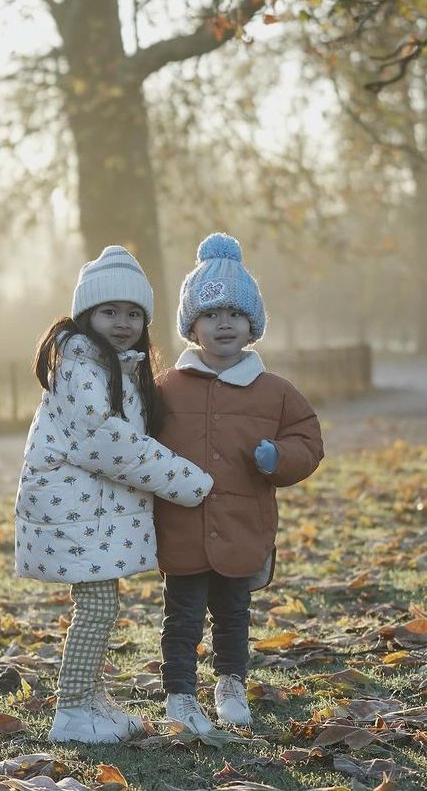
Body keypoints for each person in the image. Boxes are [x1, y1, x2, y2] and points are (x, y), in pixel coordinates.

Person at [15, 246, 214, 744]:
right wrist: (188, 482)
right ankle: (73, 712)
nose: (122, 322)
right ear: (86, 314)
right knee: (97, 609)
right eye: (109, 311)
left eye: (133, 313)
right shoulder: (80, 366)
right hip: (72, 511)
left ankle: (92, 698)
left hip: (90, 514)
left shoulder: (116, 368)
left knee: (103, 606)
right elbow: (108, 442)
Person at [154, 233, 324, 733]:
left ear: (253, 324)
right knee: (181, 622)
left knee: (233, 616)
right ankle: (180, 696)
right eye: (209, 314)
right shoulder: (166, 388)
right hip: (182, 528)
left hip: (242, 526)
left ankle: (230, 683)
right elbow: (136, 441)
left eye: (234, 313)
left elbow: (307, 441)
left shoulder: (275, 392)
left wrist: (279, 457)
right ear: (192, 326)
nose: (223, 322)